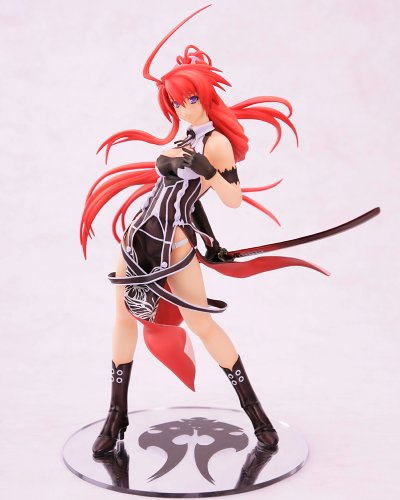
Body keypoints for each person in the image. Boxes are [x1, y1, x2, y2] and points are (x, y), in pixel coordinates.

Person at [80, 6, 328, 458]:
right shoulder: (181, 138)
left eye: (189, 99)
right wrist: (213, 240)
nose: (183, 108)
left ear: (204, 96)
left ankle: (256, 414)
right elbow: (185, 198)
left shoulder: (216, 143)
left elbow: (231, 197)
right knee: (123, 318)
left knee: (201, 323)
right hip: (138, 234)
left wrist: (206, 170)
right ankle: (116, 414)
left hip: (174, 242)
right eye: (176, 103)